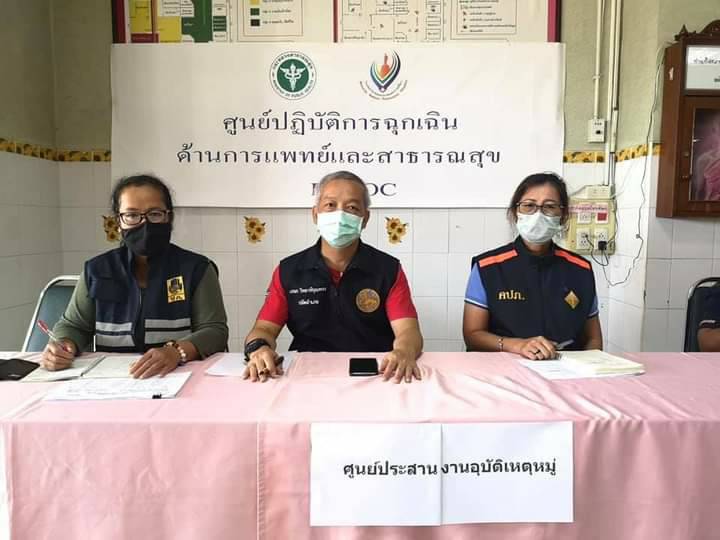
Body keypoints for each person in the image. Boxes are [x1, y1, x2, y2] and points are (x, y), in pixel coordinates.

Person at [243, 170, 423, 383]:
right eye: (330, 205)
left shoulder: (388, 269)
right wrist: (259, 348)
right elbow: (263, 329)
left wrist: (403, 351)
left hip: (376, 374)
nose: (340, 215)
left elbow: (408, 331)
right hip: (307, 377)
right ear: (315, 214)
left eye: (352, 207)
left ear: (365, 219)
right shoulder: (289, 271)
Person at [41, 174, 229, 378]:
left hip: (178, 376)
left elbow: (214, 331)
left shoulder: (196, 268)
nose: (144, 224)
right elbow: (74, 325)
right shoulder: (97, 270)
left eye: (155, 214)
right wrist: (62, 345)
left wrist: (176, 351)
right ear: (118, 221)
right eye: (132, 215)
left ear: (169, 217)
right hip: (111, 380)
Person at [463, 172, 603, 359]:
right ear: (515, 212)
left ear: (563, 215)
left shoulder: (581, 270)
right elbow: (472, 335)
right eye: (529, 206)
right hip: (504, 366)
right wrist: (517, 345)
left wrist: (590, 366)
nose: (538, 214)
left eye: (549, 206)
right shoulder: (487, 267)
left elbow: (593, 338)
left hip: (566, 368)